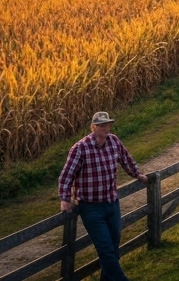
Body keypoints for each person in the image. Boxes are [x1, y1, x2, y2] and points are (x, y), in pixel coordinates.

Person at [59, 112, 149, 281]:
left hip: (111, 203)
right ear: (93, 127)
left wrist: (137, 174)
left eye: (108, 125)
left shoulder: (114, 141)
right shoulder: (80, 148)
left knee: (114, 248)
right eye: (102, 126)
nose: (106, 128)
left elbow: (126, 159)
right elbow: (67, 175)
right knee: (105, 249)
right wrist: (64, 198)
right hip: (91, 208)